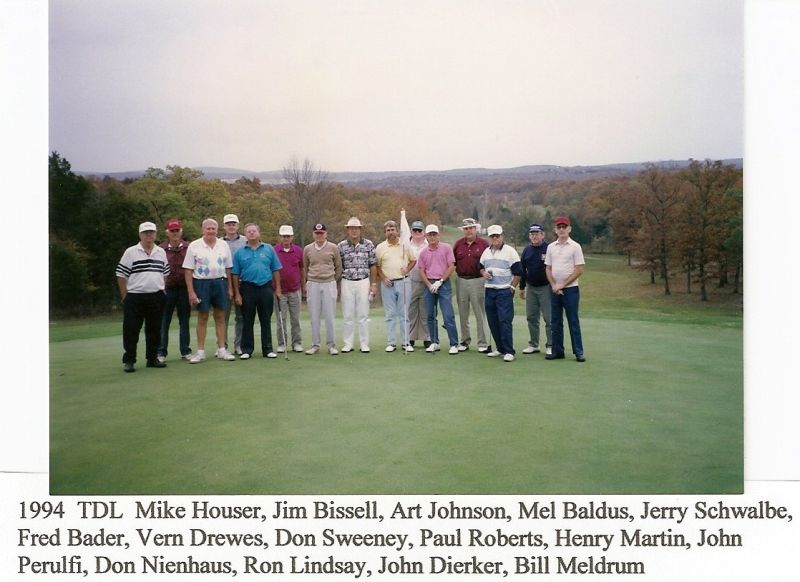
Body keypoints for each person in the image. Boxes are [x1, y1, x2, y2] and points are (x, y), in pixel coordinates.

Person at [115, 221, 169, 372]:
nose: (149, 235)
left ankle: (152, 359)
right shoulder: (131, 252)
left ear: (155, 234)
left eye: (151, 232)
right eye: (146, 233)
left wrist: (162, 288)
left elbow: (165, 273)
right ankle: (130, 360)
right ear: (140, 235)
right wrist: (124, 295)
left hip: (156, 296)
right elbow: (120, 274)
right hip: (135, 296)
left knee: (154, 329)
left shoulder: (161, 252)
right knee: (131, 329)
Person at [183, 218, 236, 363]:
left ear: (217, 230)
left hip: (220, 282)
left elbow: (228, 268)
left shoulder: (223, 245)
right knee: (203, 317)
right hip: (201, 283)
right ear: (203, 230)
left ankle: (221, 350)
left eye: (213, 228)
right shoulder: (194, 246)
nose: (211, 231)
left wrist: (230, 287)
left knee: (220, 316)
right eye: (208, 228)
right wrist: (191, 292)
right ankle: (200, 352)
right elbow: (188, 270)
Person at [232, 223, 282, 359]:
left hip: (265, 287)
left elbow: (275, 269)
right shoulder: (240, 252)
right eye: (249, 231)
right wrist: (237, 293)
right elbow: (235, 274)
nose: (251, 233)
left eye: (254, 231)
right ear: (245, 235)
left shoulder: (269, 249)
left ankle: (268, 349)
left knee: (265, 319)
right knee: (247, 319)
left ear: (259, 233)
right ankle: (247, 349)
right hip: (247, 288)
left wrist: (278, 288)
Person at [545, 215, 586, 362]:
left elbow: (579, 269)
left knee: (572, 320)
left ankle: (578, 352)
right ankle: (557, 351)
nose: (561, 229)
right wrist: (554, 285)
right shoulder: (551, 247)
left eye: (564, 227)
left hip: (571, 290)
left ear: (569, 229)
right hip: (555, 289)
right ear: (555, 230)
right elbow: (548, 269)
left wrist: (563, 285)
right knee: (555, 321)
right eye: (559, 227)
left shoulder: (575, 246)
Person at [479, 225, 522, 362]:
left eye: (497, 236)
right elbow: (480, 267)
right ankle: (500, 348)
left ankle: (509, 351)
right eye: (492, 236)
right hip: (489, 290)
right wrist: (484, 273)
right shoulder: (486, 252)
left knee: (504, 320)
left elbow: (518, 272)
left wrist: (512, 287)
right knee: (492, 320)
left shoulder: (510, 251)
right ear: (489, 238)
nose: (495, 238)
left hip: (504, 291)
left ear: (502, 236)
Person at [417, 224, 460, 355]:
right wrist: (430, 285)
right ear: (426, 236)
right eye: (430, 235)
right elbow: (421, 270)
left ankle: (454, 344)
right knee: (430, 315)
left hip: (444, 284)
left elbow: (451, 266)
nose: (432, 237)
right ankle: (434, 342)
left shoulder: (446, 248)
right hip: (429, 284)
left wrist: (440, 281)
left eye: (434, 234)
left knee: (448, 315)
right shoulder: (423, 252)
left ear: (438, 235)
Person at [337, 217, 378, 353]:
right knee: (348, 315)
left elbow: (373, 265)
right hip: (347, 281)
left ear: (360, 230)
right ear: (347, 230)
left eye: (356, 228)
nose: (354, 231)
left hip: (363, 281)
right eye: (351, 228)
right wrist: (338, 286)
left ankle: (364, 343)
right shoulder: (341, 246)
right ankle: (348, 343)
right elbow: (338, 267)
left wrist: (373, 284)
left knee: (363, 314)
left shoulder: (368, 244)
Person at [375, 220, 416, 352]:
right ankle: (391, 343)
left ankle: (406, 343)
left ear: (397, 231)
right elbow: (377, 266)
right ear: (385, 232)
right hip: (388, 284)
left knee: (404, 314)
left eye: (393, 229)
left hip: (403, 282)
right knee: (390, 314)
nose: (391, 232)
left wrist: (407, 270)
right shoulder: (380, 247)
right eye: (388, 230)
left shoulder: (405, 245)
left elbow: (413, 260)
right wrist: (383, 278)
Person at [155, 218, 192, 363]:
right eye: (172, 231)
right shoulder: (160, 249)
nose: (175, 233)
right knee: (164, 321)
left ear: (181, 231)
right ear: (167, 232)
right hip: (167, 290)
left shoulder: (189, 248)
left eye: (177, 230)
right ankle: (161, 351)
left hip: (184, 289)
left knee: (184, 321)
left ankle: (185, 350)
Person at [303, 223, 342, 355]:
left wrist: (332, 280)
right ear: (313, 234)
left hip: (329, 283)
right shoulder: (308, 249)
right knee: (314, 316)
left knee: (329, 316)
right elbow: (305, 266)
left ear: (326, 234)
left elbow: (338, 266)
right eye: (317, 233)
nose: (319, 235)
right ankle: (315, 345)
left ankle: (331, 345)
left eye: (321, 233)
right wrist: (307, 282)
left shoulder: (333, 247)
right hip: (313, 283)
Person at [453, 217, 491, 353]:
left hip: (478, 281)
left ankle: (482, 342)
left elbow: (488, 263)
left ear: (476, 229)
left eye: (471, 228)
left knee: (479, 313)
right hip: (461, 280)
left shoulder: (483, 244)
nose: (468, 231)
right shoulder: (458, 244)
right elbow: (453, 263)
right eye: (466, 229)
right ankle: (464, 341)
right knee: (463, 313)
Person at [519, 223, 552, 356]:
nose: (534, 236)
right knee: (531, 317)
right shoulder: (527, 250)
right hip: (531, 287)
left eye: (537, 233)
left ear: (542, 235)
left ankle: (551, 345)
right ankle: (534, 344)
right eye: (532, 234)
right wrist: (522, 287)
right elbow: (522, 270)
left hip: (546, 287)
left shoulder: (549, 248)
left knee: (548, 318)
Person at [273, 224, 304, 353]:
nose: (286, 239)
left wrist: (303, 285)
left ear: (292, 237)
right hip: (279, 291)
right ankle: (282, 343)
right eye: (283, 236)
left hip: (295, 289)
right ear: (280, 237)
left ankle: (296, 343)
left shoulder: (298, 250)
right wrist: (276, 288)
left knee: (295, 319)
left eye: (288, 236)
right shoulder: (273, 250)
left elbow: (301, 269)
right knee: (281, 319)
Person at [222, 213, 246, 355]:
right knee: (223, 316)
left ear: (237, 225)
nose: (231, 226)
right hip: (223, 282)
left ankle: (239, 345)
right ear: (224, 226)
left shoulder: (245, 241)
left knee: (240, 316)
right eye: (228, 224)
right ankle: (222, 346)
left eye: (233, 224)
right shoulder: (219, 242)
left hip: (242, 282)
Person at [406, 220, 431, 348]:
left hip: (426, 281)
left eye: (419, 231)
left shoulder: (428, 245)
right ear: (411, 232)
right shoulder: (405, 244)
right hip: (410, 281)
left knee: (425, 311)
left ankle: (427, 337)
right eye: (414, 230)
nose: (417, 233)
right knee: (411, 311)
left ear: (423, 232)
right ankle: (410, 338)